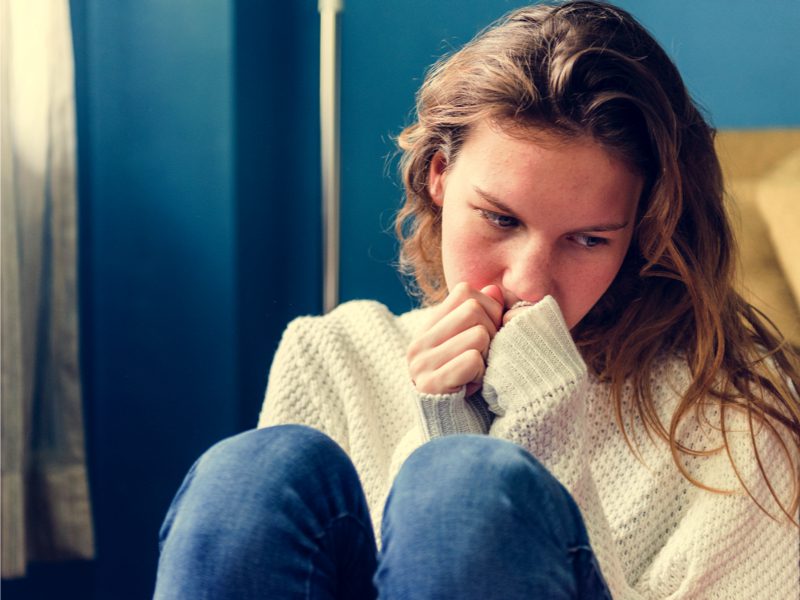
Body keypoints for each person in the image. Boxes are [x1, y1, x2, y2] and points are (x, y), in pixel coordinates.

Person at [153, 2, 800, 598]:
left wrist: (536, 435)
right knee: (253, 471)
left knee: (463, 487)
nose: (527, 282)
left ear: (643, 232)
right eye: (500, 219)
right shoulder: (334, 354)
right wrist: (441, 427)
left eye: (587, 239)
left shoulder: (728, 413)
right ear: (439, 175)